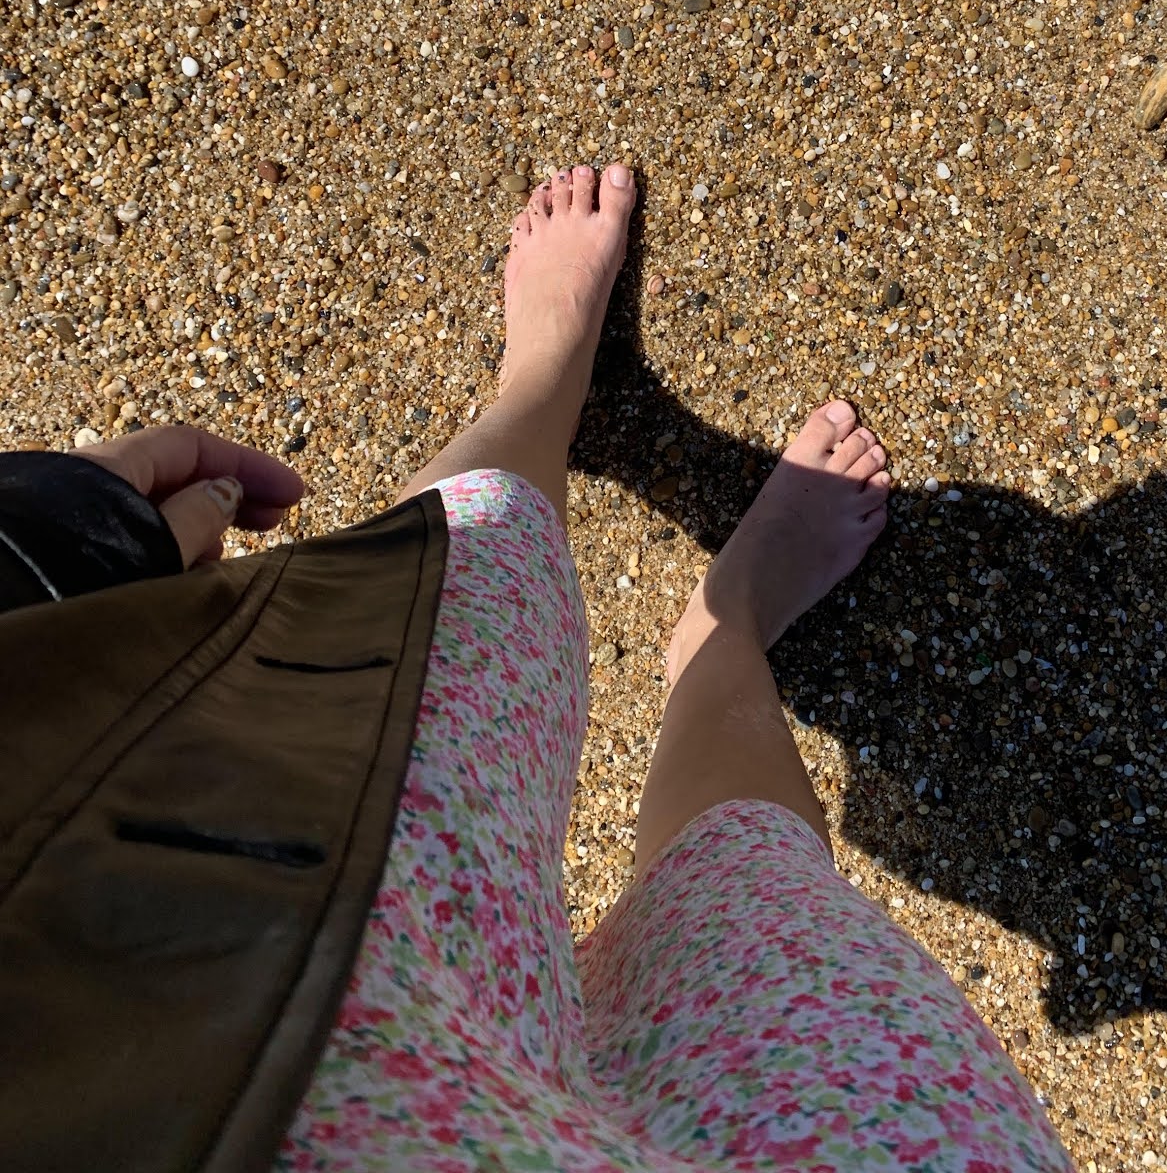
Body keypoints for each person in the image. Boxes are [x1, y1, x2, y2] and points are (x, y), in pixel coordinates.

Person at [3, 164, 1075, 1173]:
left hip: (145, 925)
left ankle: (545, 384)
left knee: (469, 602)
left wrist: (34, 558)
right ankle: (725, 626)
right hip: (241, 1012)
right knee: (758, 922)